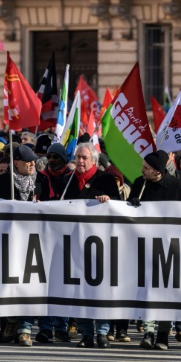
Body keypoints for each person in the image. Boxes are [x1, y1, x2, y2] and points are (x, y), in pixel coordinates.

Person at [60, 143, 120, 348]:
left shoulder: (106, 181)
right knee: (80, 291)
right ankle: (86, 333)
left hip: (100, 245)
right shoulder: (67, 181)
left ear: (94, 160)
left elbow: (119, 209)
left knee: (100, 290)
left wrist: (108, 201)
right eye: (78, 157)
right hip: (74, 245)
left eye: (84, 157)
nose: (80, 161)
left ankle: (102, 332)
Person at [129, 150, 181, 350]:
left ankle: (163, 334)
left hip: (170, 247)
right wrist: (132, 205)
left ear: (157, 171)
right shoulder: (139, 184)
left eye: (146, 168)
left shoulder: (177, 185)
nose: (142, 170)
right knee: (147, 290)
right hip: (145, 246)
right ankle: (148, 331)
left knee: (166, 292)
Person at [0, 145, 46, 347]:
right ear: (16, 163)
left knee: (30, 286)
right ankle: (10, 322)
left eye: (33, 160)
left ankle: (25, 329)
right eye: (28, 161)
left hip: (36, 243)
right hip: (8, 243)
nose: (32, 164)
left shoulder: (42, 181)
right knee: (10, 285)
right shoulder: (1, 182)